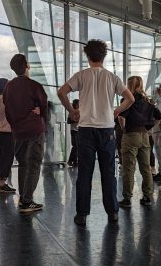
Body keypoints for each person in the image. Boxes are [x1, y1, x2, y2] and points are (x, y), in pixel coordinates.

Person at [57, 39, 134, 226]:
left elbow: (61, 92)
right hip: (106, 129)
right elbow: (129, 99)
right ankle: (113, 212)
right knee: (108, 172)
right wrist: (115, 111)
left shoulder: (81, 75)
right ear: (104, 55)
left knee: (85, 173)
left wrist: (72, 111)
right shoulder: (112, 77)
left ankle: (82, 214)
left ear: (87, 55)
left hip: (85, 129)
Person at [3, 54, 48, 213]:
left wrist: (15, 125)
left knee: (23, 163)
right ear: (27, 65)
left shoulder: (8, 87)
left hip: (18, 132)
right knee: (34, 164)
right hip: (34, 129)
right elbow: (44, 106)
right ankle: (26, 201)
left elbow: (7, 110)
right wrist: (41, 114)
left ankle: (23, 198)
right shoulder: (34, 85)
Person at [118, 76, 161, 207]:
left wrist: (123, 128)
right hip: (144, 136)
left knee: (128, 169)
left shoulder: (128, 100)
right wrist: (148, 128)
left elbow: (121, 117)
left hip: (131, 135)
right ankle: (147, 197)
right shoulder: (148, 101)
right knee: (146, 168)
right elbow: (158, 117)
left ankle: (127, 199)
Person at [0, 78, 16, 193]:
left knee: (1, 158)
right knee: (7, 158)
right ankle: (1, 183)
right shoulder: (7, 99)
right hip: (8, 132)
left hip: (1, 132)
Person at [67, 99, 79, 167]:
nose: (78, 105)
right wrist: (75, 120)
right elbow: (68, 121)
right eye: (77, 104)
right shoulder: (71, 112)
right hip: (73, 130)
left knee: (78, 147)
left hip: (79, 130)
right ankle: (70, 161)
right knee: (75, 146)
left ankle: (74, 161)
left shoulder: (80, 111)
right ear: (75, 104)